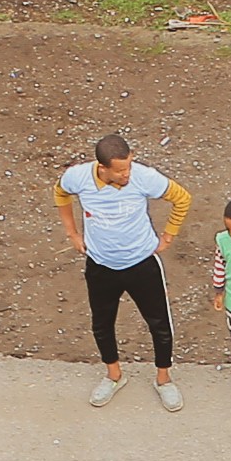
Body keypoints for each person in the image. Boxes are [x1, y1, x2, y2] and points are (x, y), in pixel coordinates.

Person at [56, 134, 186, 408]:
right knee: (102, 325)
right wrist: (72, 234)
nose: (127, 174)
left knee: (160, 325)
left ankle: (164, 379)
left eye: (128, 166)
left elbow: (182, 199)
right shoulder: (78, 177)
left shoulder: (144, 177)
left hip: (142, 264)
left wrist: (168, 236)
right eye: (121, 170)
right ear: (102, 168)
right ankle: (114, 375)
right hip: (101, 265)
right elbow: (60, 193)